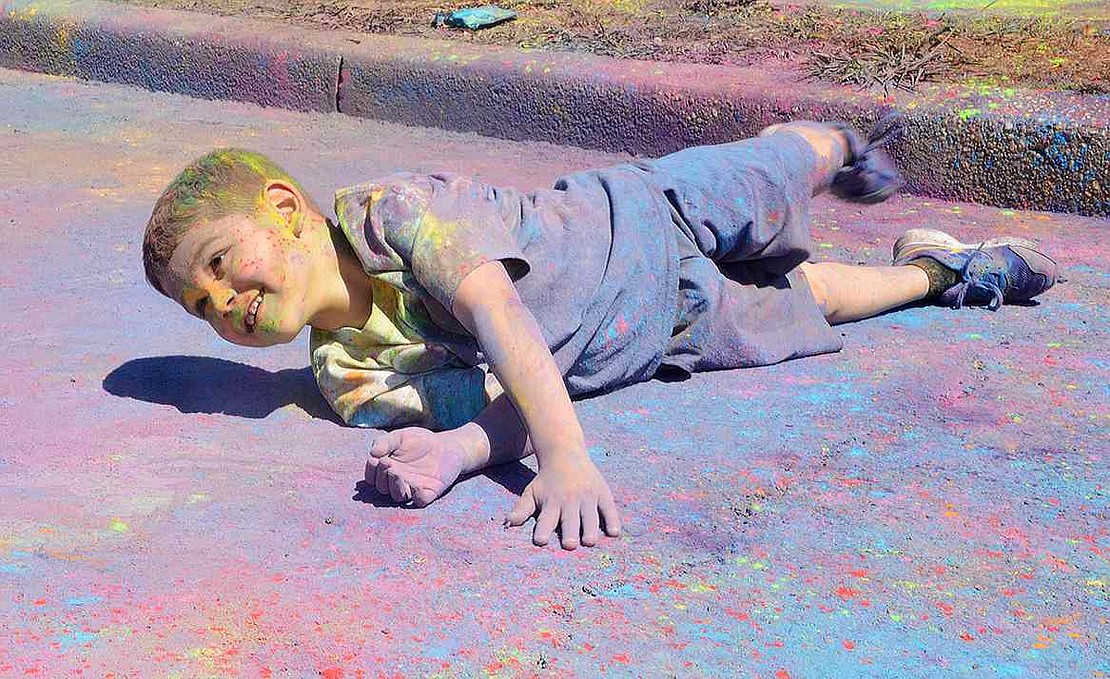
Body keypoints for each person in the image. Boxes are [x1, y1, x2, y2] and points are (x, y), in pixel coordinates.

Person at [141, 119, 1057, 550]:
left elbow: (500, 316)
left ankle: (840, 141)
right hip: (665, 330)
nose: (223, 301)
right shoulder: (349, 384)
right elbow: (500, 401)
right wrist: (461, 452)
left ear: (285, 208)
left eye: (221, 263)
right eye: (200, 306)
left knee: (784, 168)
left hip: (645, 211)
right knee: (823, 302)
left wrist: (567, 459)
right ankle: (942, 270)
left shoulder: (393, 213)